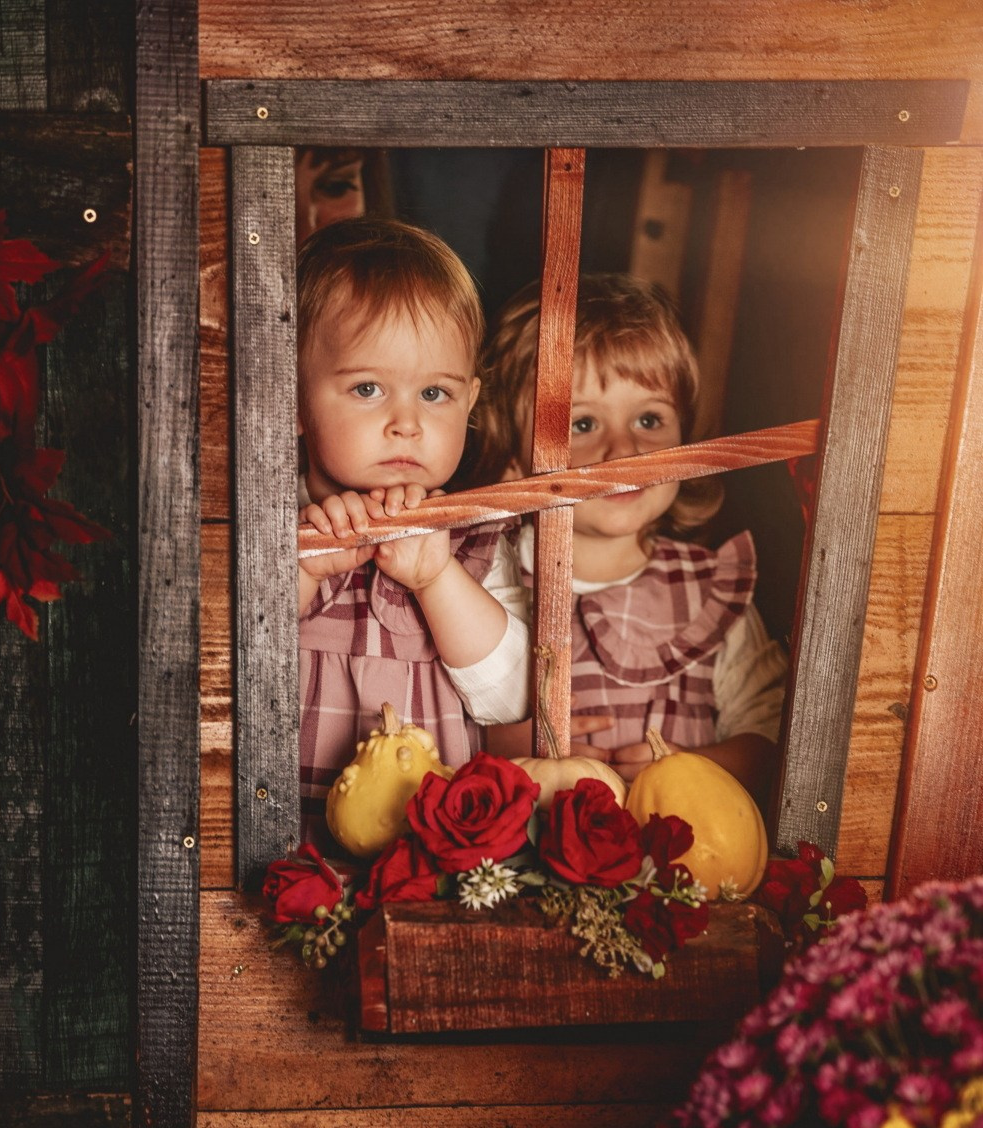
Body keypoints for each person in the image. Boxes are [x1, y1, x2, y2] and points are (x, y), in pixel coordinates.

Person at [476, 273, 785, 804]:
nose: (624, 451)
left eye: (649, 418)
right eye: (582, 424)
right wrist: (511, 746)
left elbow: (777, 740)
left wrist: (688, 767)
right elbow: (435, 727)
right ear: (511, 457)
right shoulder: (485, 582)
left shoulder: (713, 590)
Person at [297, 217, 530, 842]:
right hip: (286, 840)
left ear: (472, 400)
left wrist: (436, 577)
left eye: (435, 393)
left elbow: (512, 699)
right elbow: (220, 659)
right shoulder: (270, 527)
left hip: (431, 851)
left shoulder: (475, 541)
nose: (407, 422)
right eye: (368, 387)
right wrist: (301, 569)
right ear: (291, 397)